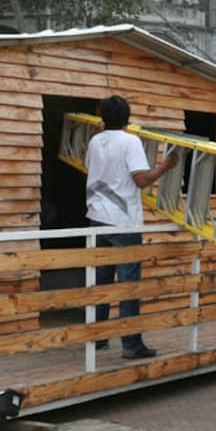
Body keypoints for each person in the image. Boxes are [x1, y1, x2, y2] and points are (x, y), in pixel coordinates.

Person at [85, 95, 178, 359]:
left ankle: (99, 337)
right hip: (123, 222)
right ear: (128, 118)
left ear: (104, 117)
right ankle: (131, 344)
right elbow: (140, 180)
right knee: (129, 285)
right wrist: (165, 167)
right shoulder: (130, 141)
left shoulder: (94, 141)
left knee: (101, 281)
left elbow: (94, 171)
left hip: (97, 219)